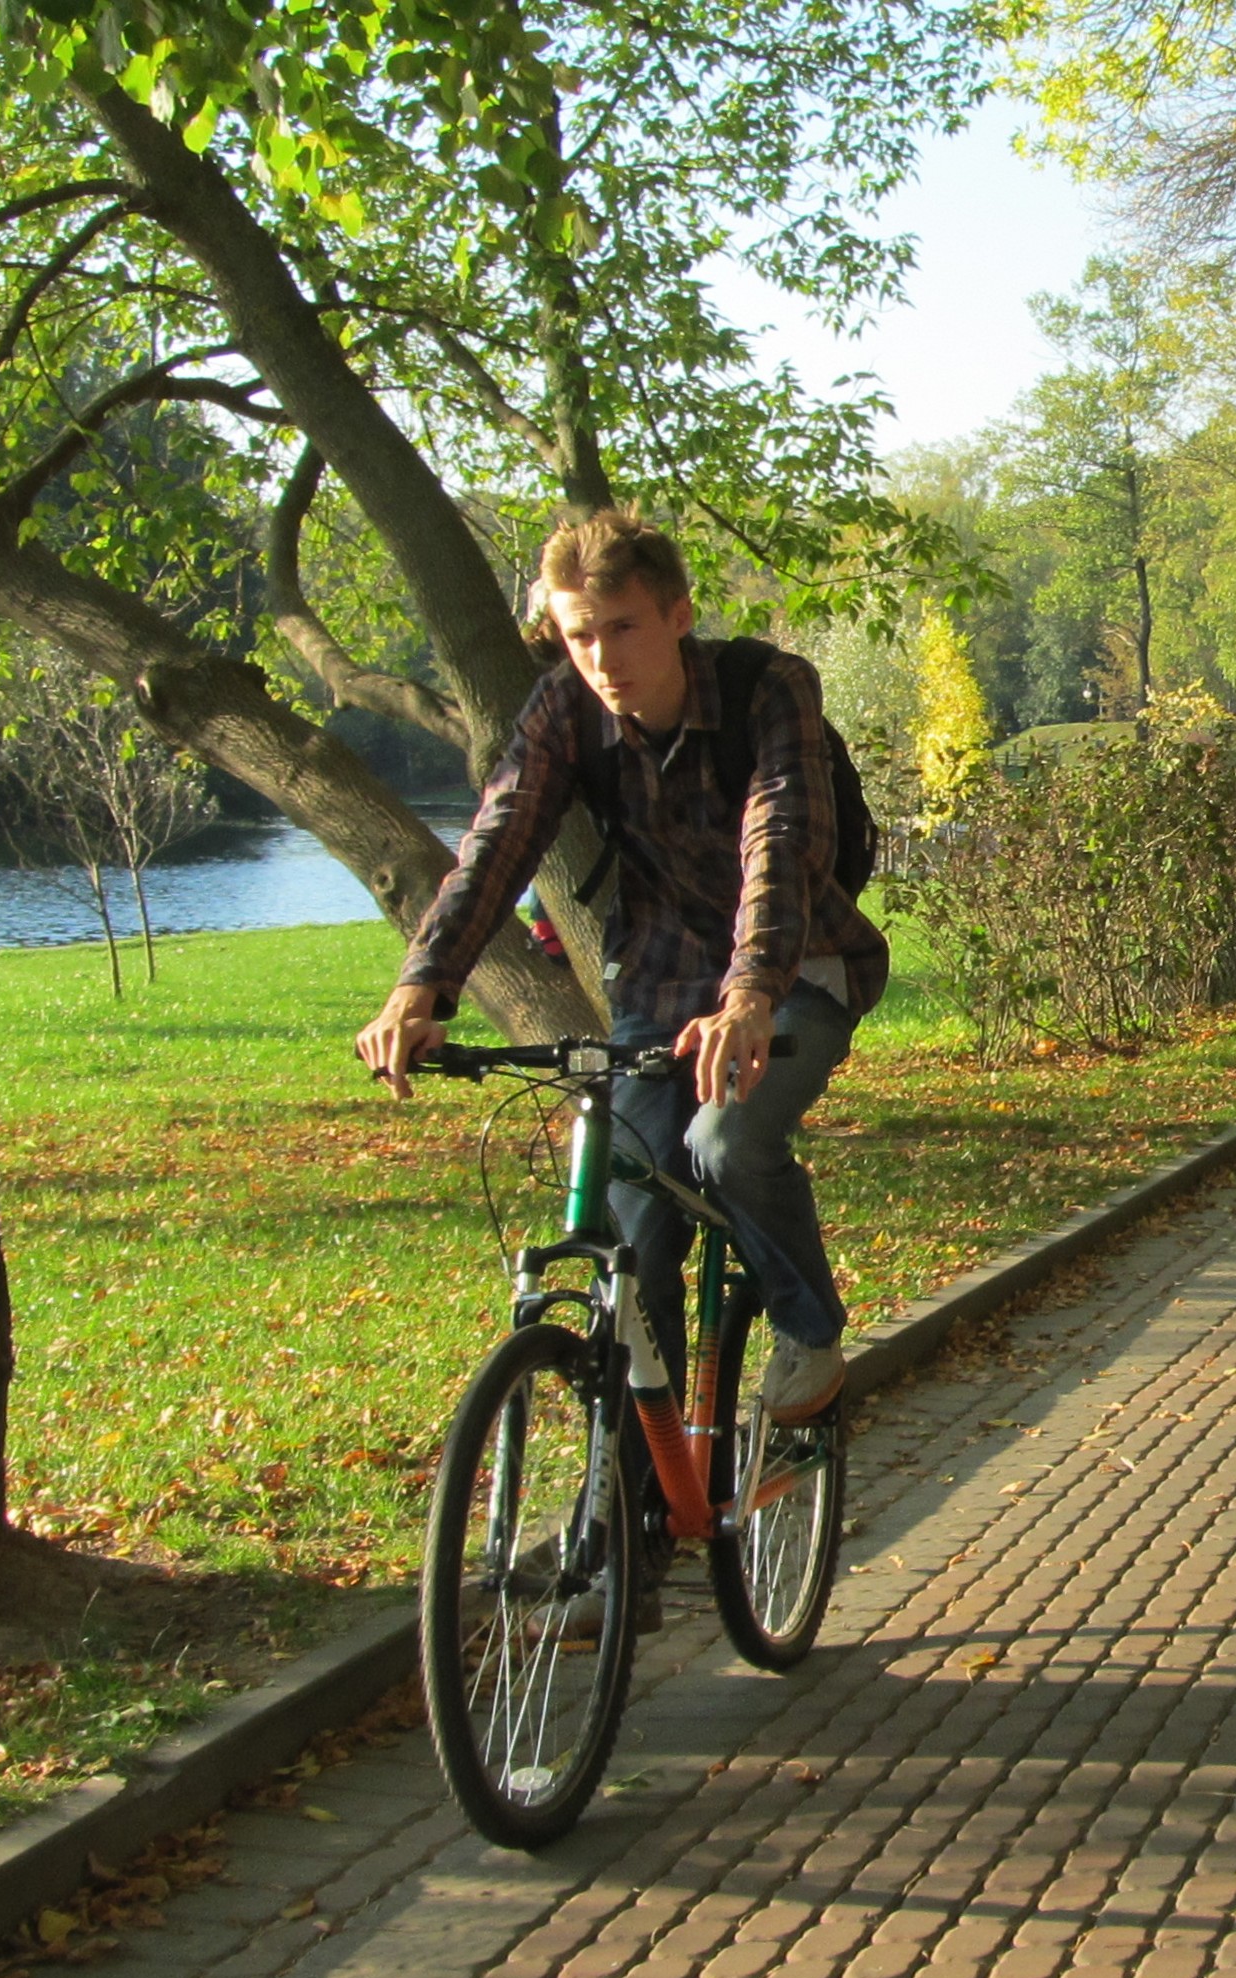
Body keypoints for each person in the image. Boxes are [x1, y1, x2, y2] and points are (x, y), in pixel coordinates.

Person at [354, 507, 882, 1428]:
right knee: (629, 1225)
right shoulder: (564, 707)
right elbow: (497, 844)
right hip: (660, 979)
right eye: (579, 635)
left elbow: (782, 841)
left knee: (723, 1142)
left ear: (677, 615)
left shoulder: (769, 689)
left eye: (623, 627)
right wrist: (421, 988)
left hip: (799, 965)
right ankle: (633, 1509)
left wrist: (750, 995)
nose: (602, 659)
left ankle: (807, 1326)